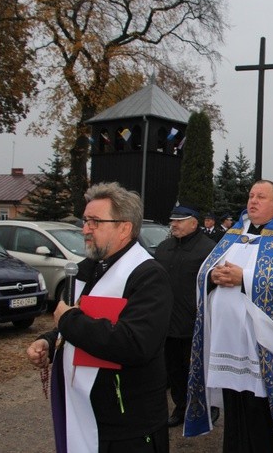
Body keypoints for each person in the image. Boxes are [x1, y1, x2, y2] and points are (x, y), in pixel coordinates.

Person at [26, 182, 173, 453]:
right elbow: (83, 321)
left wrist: (68, 322)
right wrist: (49, 341)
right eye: (85, 221)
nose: (85, 230)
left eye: (95, 222)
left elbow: (135, 344)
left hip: (127, 424)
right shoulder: (85, 269)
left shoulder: (148, 276)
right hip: (84, 412)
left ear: (124, 228)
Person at [183, 180, 273, 452]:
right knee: (235, 409)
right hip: (228, 343)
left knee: (260, 410)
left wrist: (244, 278)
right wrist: (212, 276)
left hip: (264, 347)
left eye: (261, 196)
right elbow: (205, 271)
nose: (253, 201)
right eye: (250, 196)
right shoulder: (234, 234)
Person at [153, 204, 215, 427]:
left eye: (180, 220)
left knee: (198, 368)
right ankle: (181, 407)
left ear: (194, 223)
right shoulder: (163, 248)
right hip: (167, 322)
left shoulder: (209, 249)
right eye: (172, 220)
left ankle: (207, 406)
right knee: (174, 370)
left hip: (195, 322)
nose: (174, 224)